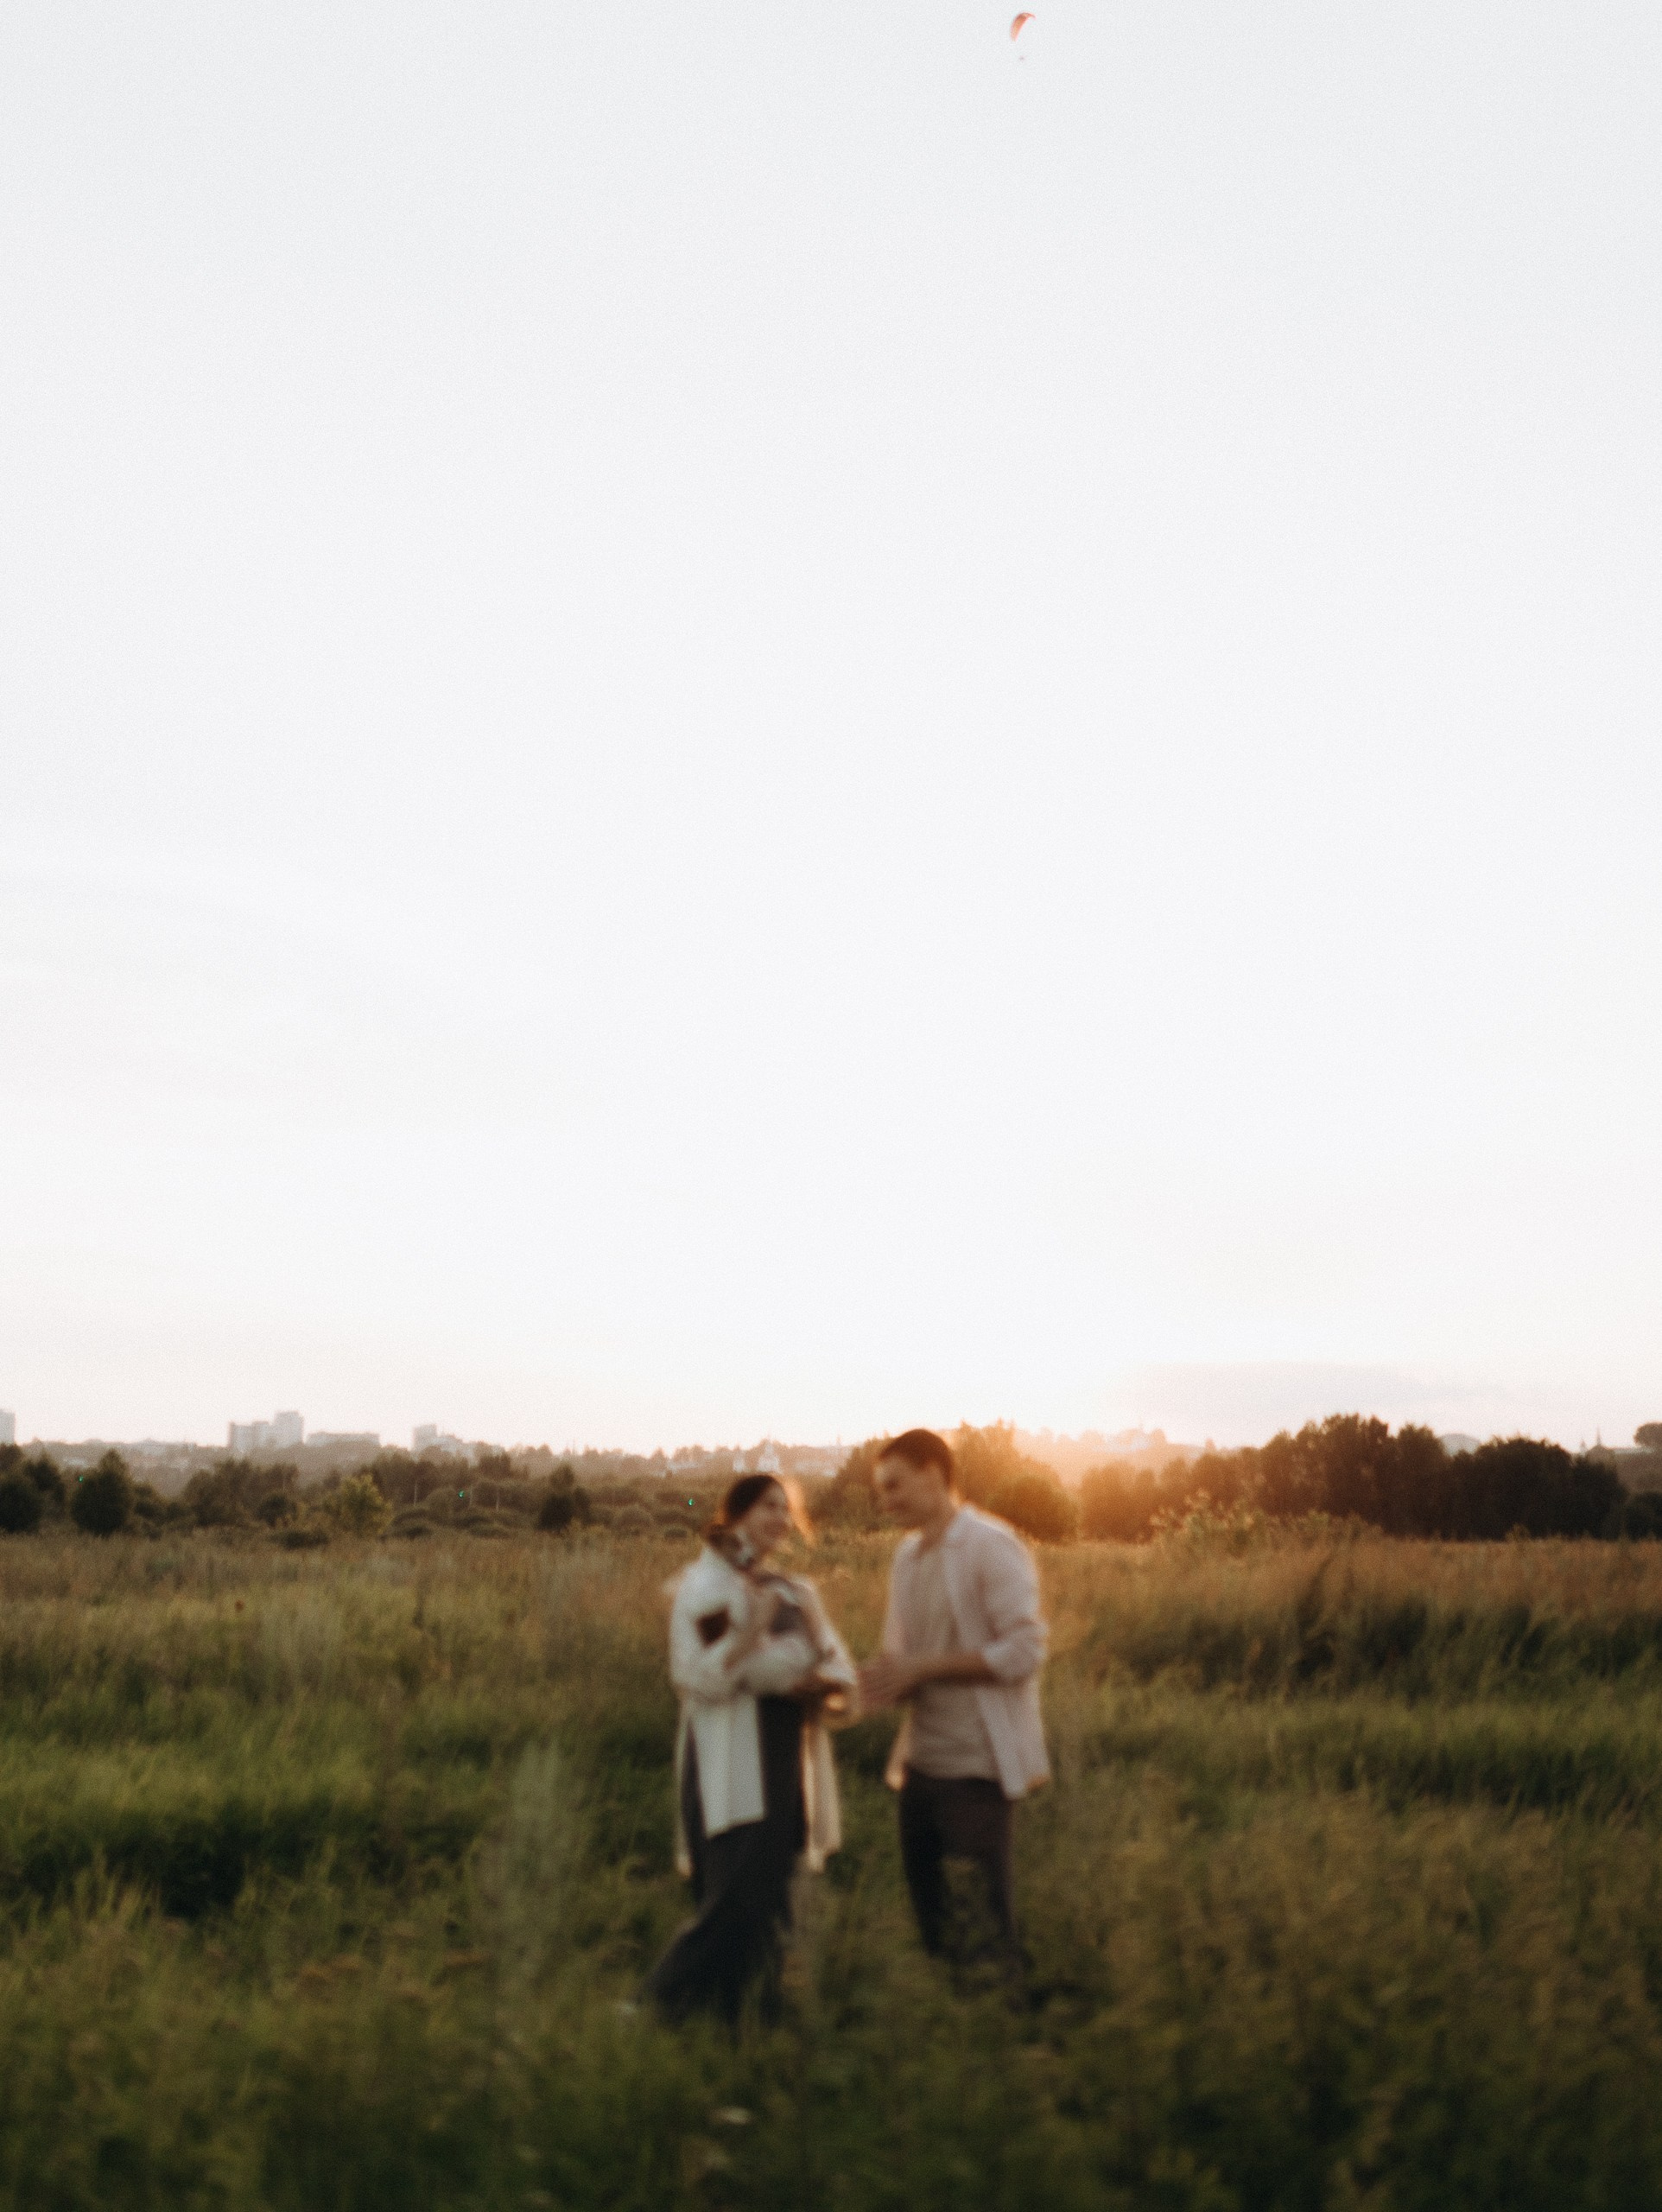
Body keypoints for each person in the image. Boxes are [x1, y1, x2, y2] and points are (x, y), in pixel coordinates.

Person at [645, 1472, 857, 2022]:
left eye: (787, 1511)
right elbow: (699, 1675)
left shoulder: (796, 1590)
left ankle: (757, 2021)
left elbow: (836, 1664)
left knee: (774, 1895)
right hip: (730, 1761)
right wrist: (764, 1650)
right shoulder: (704, 1587)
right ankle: (654, 2008)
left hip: (784, 1757)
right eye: (768, 1506)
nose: (781, 1520)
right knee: (732, 1898)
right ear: (736, 1512)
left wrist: (805, 1669)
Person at [857, 1428, 1049, 1974]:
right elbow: (904, 1657)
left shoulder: (992, 1544)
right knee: (935, 1924)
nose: (886, 1500)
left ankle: (1006, 2031)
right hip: (920, 1766)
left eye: (895, 1485)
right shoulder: (906, 1557)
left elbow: (1025, 1649)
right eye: (881, 1489)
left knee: (984, 1927)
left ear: (936, 1474)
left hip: (978, 1767)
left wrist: (926, 1668)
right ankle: (956, 2028)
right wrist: (871, 1684)